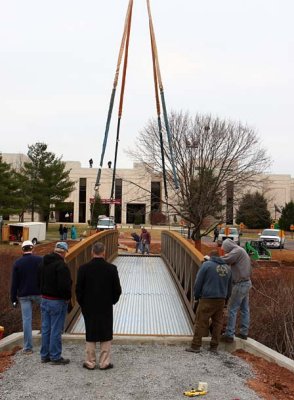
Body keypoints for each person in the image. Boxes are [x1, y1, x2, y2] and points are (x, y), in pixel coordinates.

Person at [76, 241, 121, 370]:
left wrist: (82, 303)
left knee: (90, 331)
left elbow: (78, 289)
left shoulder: (83, 268)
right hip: (105, 305)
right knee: (106, 332)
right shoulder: (111, 269)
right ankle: (104, 363)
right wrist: (112, 301)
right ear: (104, 252)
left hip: (88, 306)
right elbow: (117, 290)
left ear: (92, 252)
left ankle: (90, 362)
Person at [186, 251, 232, 354]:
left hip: (207, 298)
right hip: (221, 299)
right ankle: (214, 347)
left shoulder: (207, 265)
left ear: (210, 257)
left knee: (200, 321)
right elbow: (229, 288)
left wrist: (197, 296)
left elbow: (198, 282)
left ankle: (196, 346)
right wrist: (226, 301)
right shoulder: (228, 268)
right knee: (217, 323)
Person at [39, 242, 72, 364]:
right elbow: (64, 286)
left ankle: (44, 355)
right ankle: (55, 356)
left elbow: (39, 280)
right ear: (63, 252)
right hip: (57, 301)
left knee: (46, 328)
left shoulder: (43, 262)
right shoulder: (61, 266)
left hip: (44, 299)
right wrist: (67, 298)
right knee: (56, 329)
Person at [10, 240, 43, 354]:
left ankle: (28, 347)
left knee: (27, 320)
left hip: (23, 295)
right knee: (45, 317)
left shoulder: (18, 263)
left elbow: (14, 283)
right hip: (39, 293)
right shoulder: (40, 260)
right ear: (32, 248)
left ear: (22, 250)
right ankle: (46, 344)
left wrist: (13, 299)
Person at [220, 238, 252, 342]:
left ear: (228, 246)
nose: (225, 251)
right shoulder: (240, 250)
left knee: (232, 309)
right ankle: (243, 332)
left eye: (225, 249)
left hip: (240, 284)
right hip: (246, 283)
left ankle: (229, 334)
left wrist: (212, 259)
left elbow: (226, 260)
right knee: (244, 309)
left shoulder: (237, 251)